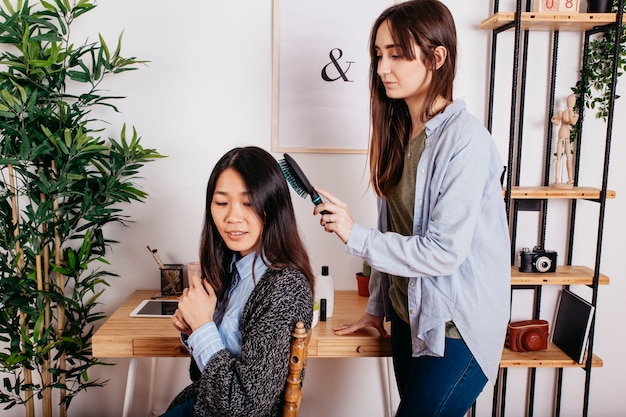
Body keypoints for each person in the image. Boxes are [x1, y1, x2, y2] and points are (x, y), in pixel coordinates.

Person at [312, 1, 511, 416]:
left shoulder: (466, 142)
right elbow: (399, 233)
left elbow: (442, 252)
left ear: (438, 57)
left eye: (397, 54)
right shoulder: (400, 133)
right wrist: (376, 308)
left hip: (457, 329)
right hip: (410, 318)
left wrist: (355, 233)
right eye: (379, 55)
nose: (383, 67)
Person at [161, 146, 315, 417]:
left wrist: (203, 328)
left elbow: (245, 406)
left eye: (248, 203)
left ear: (273, 205)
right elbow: (205, 377)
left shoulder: (285, 286)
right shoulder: (232, 268)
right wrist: (193, 330)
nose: (232, 217)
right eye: (222, 203)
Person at [551, 94, 578, 186]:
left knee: (568, 157)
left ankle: (570, 178)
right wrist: (554, 119)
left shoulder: (571, 113)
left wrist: (573, 116)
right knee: (559, 157)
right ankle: (557, 179)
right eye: (570, 101)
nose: (570, 103)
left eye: (572, 101)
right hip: (562, 133)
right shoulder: (564, 112)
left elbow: (573, 122)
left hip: (566, 134)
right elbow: (557, 122)